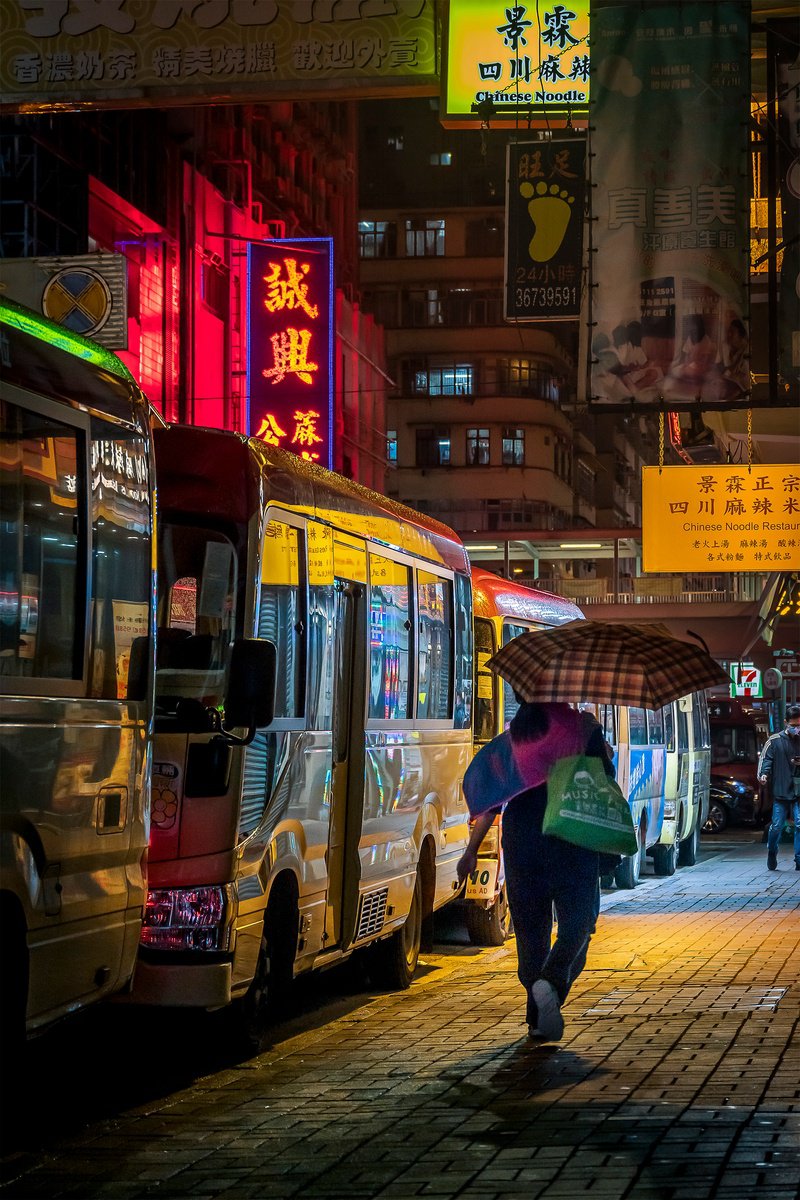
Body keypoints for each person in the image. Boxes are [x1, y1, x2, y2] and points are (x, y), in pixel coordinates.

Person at [457, 700, 616, 1042]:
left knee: (531, 935)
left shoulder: (514, 738)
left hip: (522, 840)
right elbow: (604, 780)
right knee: (579, 924)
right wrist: (603, 750)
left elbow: (491, 800)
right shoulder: (582, 729)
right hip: (572, 835)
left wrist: (471, 851)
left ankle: (537, 1020)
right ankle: (551, 982)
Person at [758, 704, 800, 871]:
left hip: (798, 792)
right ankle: (772, 851)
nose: (797, 728)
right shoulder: (774, 741)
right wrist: (763, 774)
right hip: (781, 790)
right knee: (776, 826)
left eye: (799, 725)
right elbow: (766, 759)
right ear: (785, 722)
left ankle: (799, 859)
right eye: (794, 725)